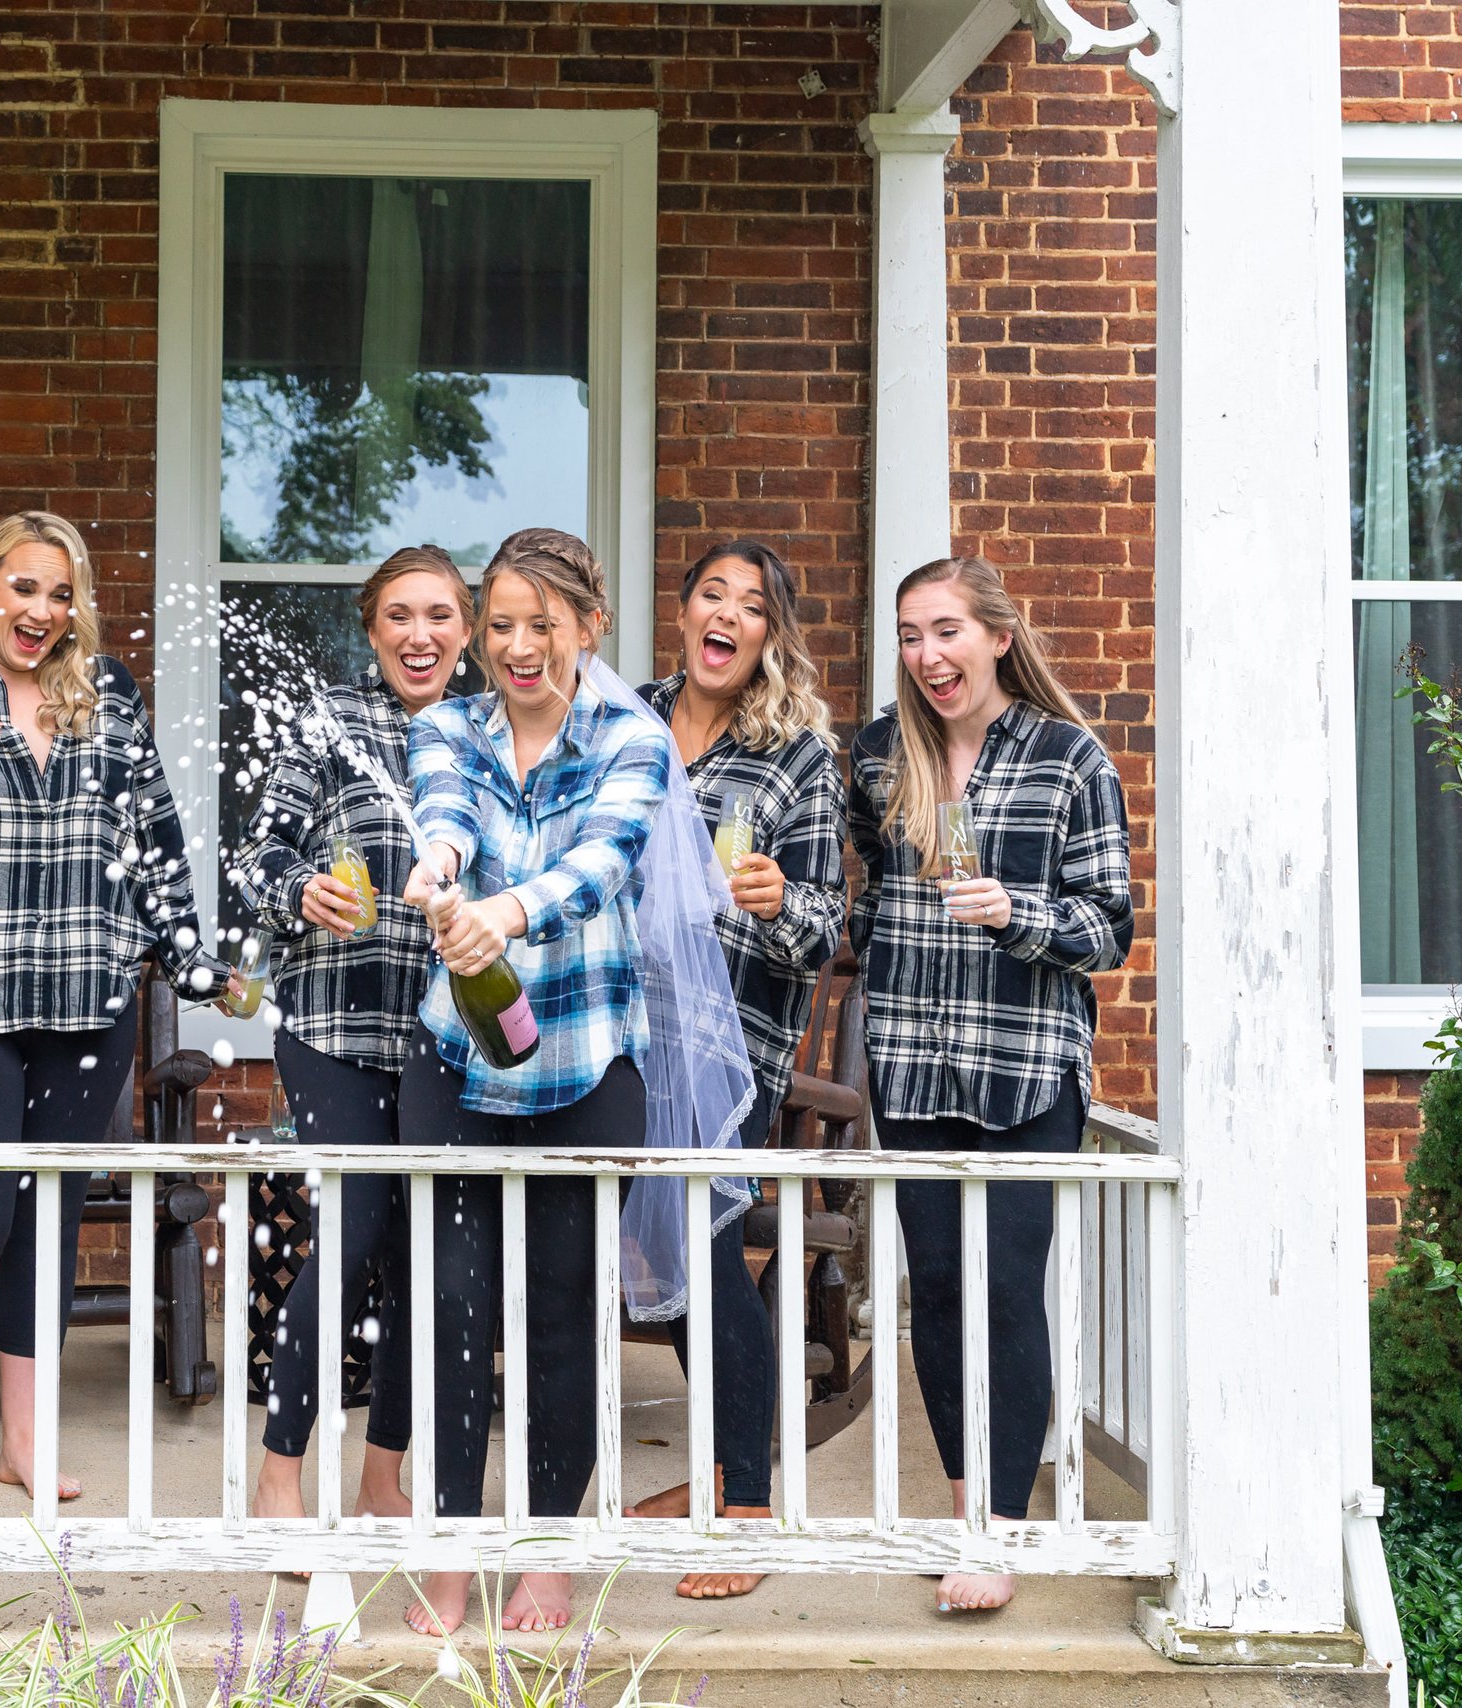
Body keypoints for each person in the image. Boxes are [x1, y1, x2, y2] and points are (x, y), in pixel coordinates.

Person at [0, 510, 221, 1502]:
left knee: (48, 1219)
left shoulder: (106, 698)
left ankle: (24, 1437)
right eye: (24, 588)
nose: (42, 610)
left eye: (61, 593)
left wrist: (193, 959)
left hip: (84, 993)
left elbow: (154, 840)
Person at [396, 527, 680, 1638]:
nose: (516, 648)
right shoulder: (443, 726)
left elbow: (601, 863)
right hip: (458, 1063)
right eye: (500, 626)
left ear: (589, 626)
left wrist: (502, 913)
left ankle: (550, 1553)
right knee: (456, 1310)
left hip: (584, 1061)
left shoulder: (633, 738)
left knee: (563, 1317)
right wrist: (438, 869)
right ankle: (456, 1547)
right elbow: (446, 814)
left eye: (541, 627)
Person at [846, 555, 1134, 1613]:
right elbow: (869, 908)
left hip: (1024, 1067)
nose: (927, 655)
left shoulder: (1067, 759)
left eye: (946, 631)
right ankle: (967, 1506)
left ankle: (997, 1529)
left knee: (1006, 1290)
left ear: (997, 636)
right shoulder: (881, 754)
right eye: (910, 635)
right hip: (913, 1066)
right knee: (937, 1294)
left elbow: (1109, 926)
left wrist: (1017, 914)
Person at [235, 545, 474, 1534]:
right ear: (370, 630)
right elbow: (256, 854)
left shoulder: (486, 729)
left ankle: (384, 1475)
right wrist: (298, 889)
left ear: (464, 630)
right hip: (331, 1021)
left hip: (445, 1038)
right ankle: (280, 1470)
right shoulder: (327, 720)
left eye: (439, 616)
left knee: (427, 1257)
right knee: (355, 1231)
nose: (419, 635)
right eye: (399, 617)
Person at [632, 539, 847, 1600]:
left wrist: (773, 902)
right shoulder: (623, 719)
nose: (725, 615)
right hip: (622, 1034)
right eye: (709, 594)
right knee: (659, 1252)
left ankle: (749, 1501)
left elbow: (825, 922)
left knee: (707, 1251)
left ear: (771, 633)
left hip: (730, 1048)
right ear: (682, 611)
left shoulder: (797, 755)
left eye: (750, 604)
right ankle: (725, 1467)